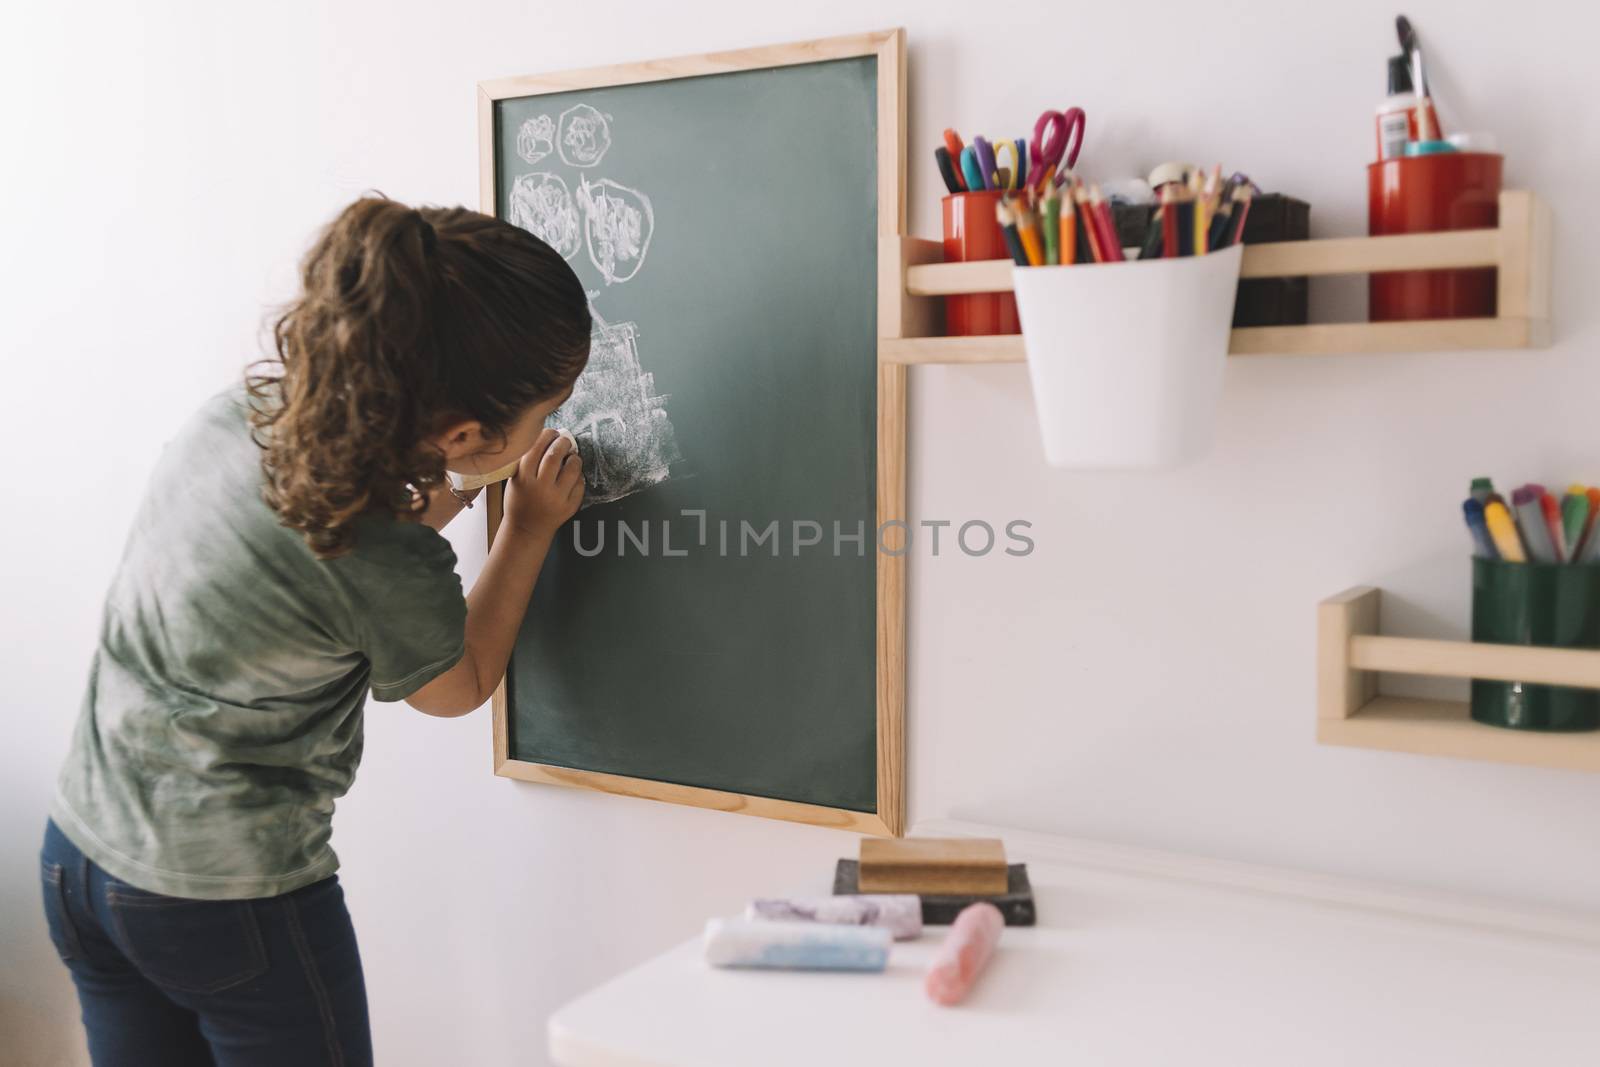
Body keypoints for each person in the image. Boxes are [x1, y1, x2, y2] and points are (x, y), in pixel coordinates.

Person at [39, 196, 591, 1066]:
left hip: (82, 854)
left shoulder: (248, 412)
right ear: (462, 433)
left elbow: (335, 533)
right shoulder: (387, 562)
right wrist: (525, 528)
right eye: (544, 411)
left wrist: (468, 480)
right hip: (229, 897)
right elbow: (459, 681)